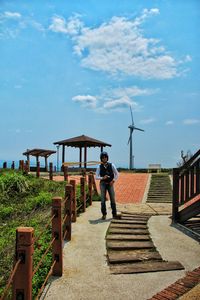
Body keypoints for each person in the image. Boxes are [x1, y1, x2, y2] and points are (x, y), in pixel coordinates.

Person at [95, 151, 120, 220]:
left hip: (110, 183)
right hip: (102, 184)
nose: (104, 158)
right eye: (103, 157)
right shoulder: (99, 167)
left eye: (105, 157)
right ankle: (104, 214)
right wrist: (102, 178)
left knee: (112, 198)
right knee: (102, 199)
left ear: (107, 158)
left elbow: (117, 174)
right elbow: (96, 177)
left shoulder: (112, 165)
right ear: (101, 158)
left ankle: (114, 214)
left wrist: (113, 180)